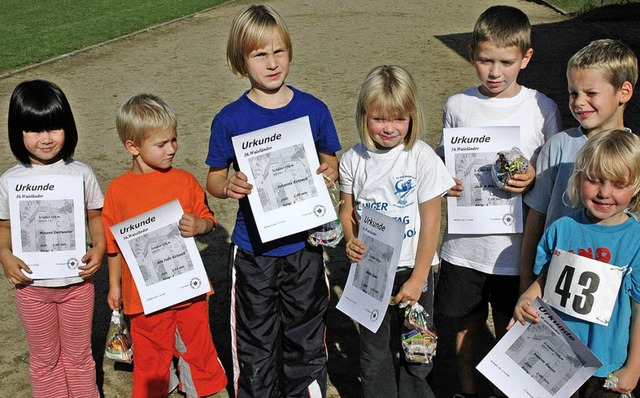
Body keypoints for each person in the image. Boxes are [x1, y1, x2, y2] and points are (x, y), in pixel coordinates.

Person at [205, 4, 341, 397]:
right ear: (240, 62)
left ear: (290, 52)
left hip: (306, 248)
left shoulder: (313, 110)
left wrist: (328, 171)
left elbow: (330, 157)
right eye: (259, 54)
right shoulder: (229, 119)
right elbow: (213, 180)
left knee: (306, 336)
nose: (272, 63)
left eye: (278, 51)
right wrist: (228, 185)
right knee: (255, 342)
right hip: (254, 252)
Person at [432, 6, 562, 398]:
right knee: (464, 326)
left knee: (515, 327)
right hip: (464, 249)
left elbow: (551, 172)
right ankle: (468, 392)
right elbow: (443, 163)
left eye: (506, 62)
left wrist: (533, 178)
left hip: (516, 251)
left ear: (526, 58)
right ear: (472, 53)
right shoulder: (458, 106)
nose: (494, 71)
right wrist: (446, 181)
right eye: (486, 59)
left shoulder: (543, 107)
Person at [339, 65, 454, 398]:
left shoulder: (421, 158)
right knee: (373, 354)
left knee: (417, 352)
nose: (389, 128)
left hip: (413, 272)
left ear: (412, 116)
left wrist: (419, 279)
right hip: (370, 273)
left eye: (399, 119)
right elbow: (347, 211)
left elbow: (432, 220)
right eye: (379, 118)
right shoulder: (352, 160)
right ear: (364, 115)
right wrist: (350, 241)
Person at [103, 94, 227, 398]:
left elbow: (208, 218)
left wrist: (201, 225)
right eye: (162, 144)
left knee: (197, 348)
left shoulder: (184, 182)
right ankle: (160, 388)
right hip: (144, 299)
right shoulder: (118, 192)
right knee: (150, 357)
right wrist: (114, 286)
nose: (172, 148)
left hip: (188, 291)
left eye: (174, 139)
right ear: (133, 146)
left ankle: (204, 390)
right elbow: (113, 247)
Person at [512, 129, 640, 397]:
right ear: (579, 178)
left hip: (607, 366)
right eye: (594, 180)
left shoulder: (636, 240)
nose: (604, 192)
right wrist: (527, 297)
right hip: (556, 357)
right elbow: (546, 280)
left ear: (636, 187)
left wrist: (634, 366)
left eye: (618, 184)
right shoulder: (562, 228)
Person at [0, 80, 105, 397]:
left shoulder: (81, 173)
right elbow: (4, 227)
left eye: (54, 127)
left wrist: (99, 247)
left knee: (79, 358)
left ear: (68, 127)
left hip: (77, 286)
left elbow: (95, 217)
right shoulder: (10, 180)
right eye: (34, 129)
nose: (45, 138)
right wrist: (5, 256)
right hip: (32, 289)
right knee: (45, 360)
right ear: (18, 131)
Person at [519, 39, 637, 292]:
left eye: (591, 93)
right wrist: (525, 282)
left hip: (614, 289)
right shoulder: (557, 146)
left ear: (624, 92)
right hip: (550, 283)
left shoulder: (636, 153)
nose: (579, 102)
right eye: (573, 93)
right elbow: (536, 218)